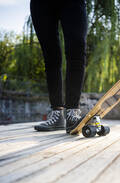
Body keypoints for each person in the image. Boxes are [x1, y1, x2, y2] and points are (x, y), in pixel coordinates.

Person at [30, 0, 88, 133]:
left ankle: (72, 112)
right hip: (41, 4)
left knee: (76, 49)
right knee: (50, 56)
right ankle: (57, 113)